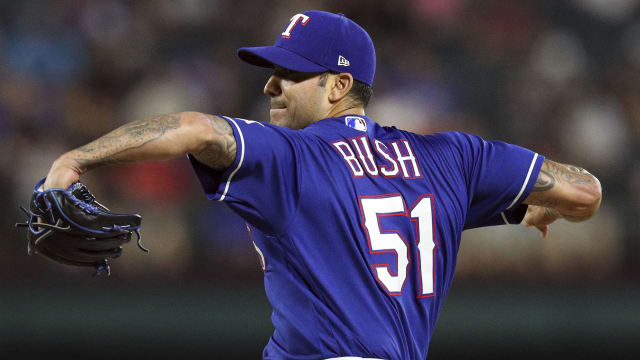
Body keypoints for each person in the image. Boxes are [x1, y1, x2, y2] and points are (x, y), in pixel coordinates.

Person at [42, 10, 602, 360]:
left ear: (338, 85)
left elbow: (191, 128)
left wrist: (77, 158)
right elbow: (586, 193)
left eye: (289, 74)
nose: (270, 86)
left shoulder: (293, 154)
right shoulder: (450, 157)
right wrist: (540, 209)